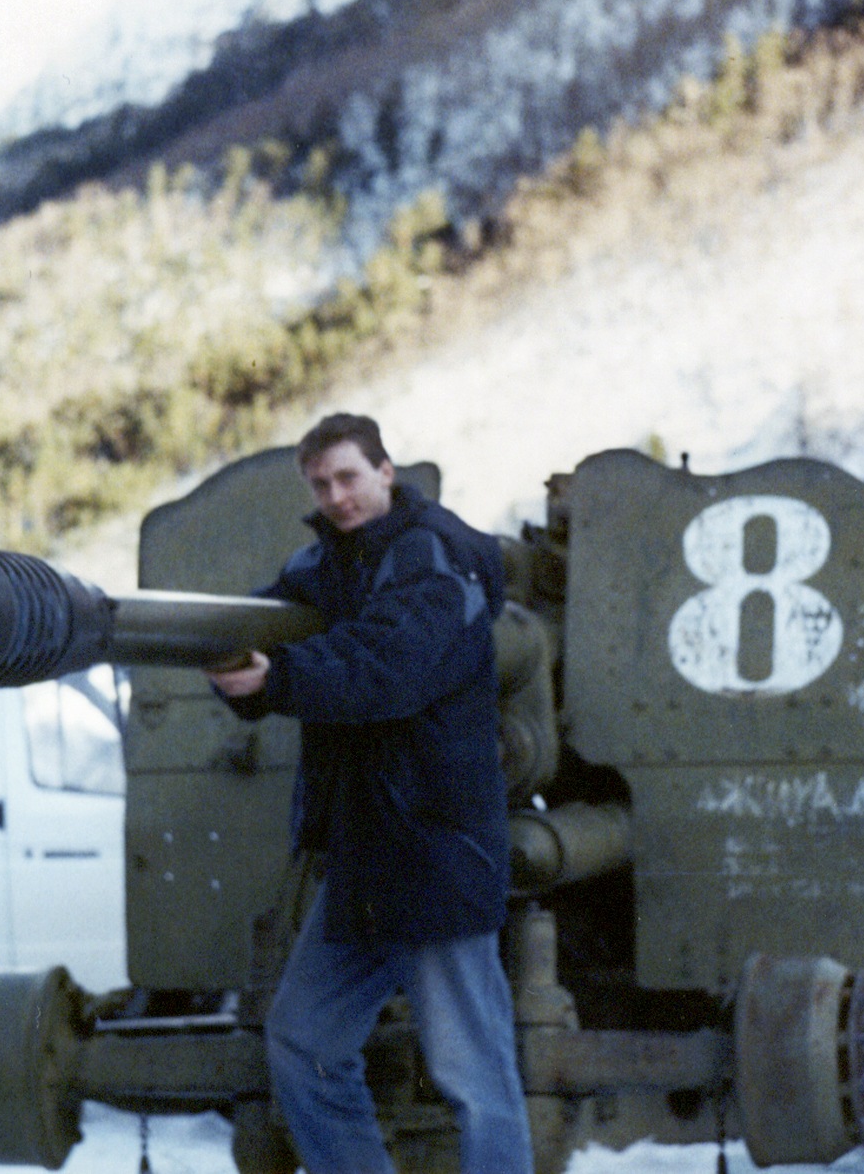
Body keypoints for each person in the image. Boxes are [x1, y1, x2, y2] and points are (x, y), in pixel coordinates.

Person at [206, 413, 532, 1174]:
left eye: (348, 477)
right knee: (304, 1042)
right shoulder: (329, 564)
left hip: (439, 850)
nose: (336, 496)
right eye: (320, 484)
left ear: (386, 471)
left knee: (475, 1077)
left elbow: (388, 668)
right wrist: (230, 661)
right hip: (369, 856)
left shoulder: (436, 555)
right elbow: (270, 625)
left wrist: (279, 679)